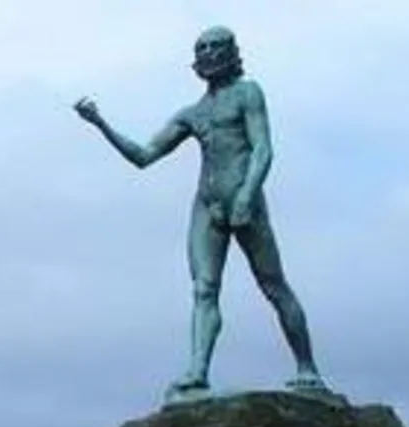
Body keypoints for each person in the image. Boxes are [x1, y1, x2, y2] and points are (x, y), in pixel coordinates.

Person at [73, 26, 329, 402]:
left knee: (273, 285)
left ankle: (307, 367)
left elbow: (262, 149)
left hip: (245, 199)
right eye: (201, 48)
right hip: (207, 205)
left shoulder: (248, 93)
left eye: (215, 47)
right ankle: (197, 372)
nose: (208, 54)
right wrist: (100, 124)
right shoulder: (193, 114)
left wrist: (246, 195)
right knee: (204, 289)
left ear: (231, 53)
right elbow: (144, 156)